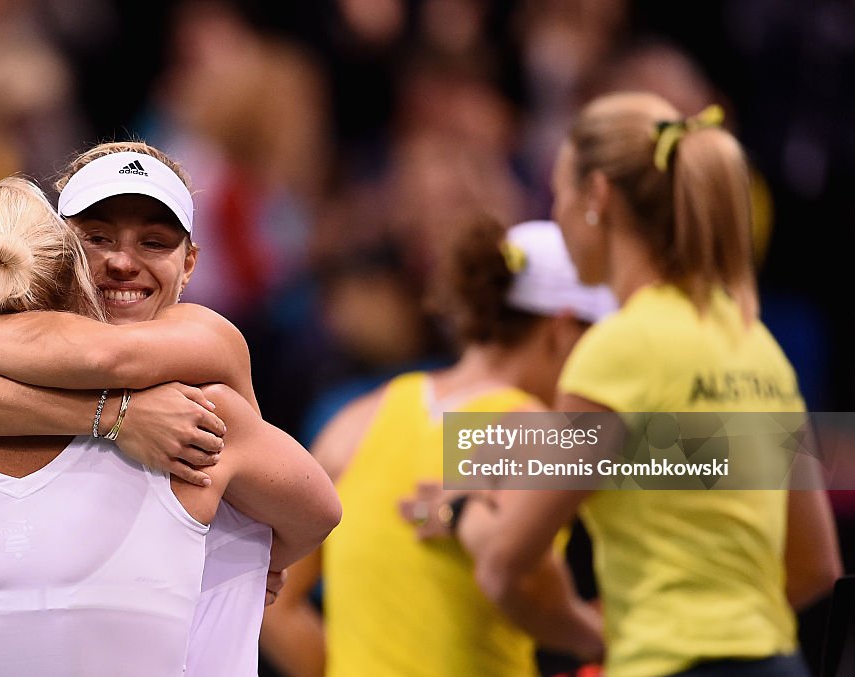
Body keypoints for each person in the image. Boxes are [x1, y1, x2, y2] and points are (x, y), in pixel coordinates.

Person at [0, 147, 341, 675]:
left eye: (155, 242)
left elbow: (105, 356)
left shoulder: (206, 350)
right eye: (97, 239)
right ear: (59, 251)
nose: (122, 261)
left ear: (190, 263)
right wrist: (118, 417)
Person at [452, 92, 841, 677]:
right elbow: (815, 566)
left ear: (596, 199)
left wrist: (466, 505)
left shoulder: (618, 349)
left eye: (558, 193)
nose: (555, 213)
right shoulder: (756, 343)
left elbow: (507, 562)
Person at [260, 217, 613, 676]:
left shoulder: (353, 423)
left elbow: (272, 599)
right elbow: (528, 583)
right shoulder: (540, 432)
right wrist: (597, 637)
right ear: (564, 331)